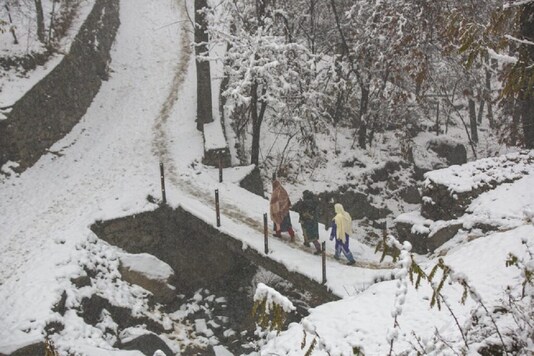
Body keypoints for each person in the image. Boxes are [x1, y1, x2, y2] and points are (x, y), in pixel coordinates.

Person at [298, 190, 322, 255]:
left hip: (306, 221)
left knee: (306, 232)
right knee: (313, 235)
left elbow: (301, 211)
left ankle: (315, 247)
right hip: (313, 221)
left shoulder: (305, 203)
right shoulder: (314, 202)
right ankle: (315, 246)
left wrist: (300, 203)